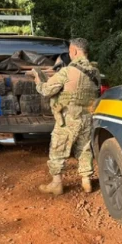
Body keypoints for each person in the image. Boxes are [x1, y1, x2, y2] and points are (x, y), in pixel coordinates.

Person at [27, 38, 100, 195]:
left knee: (57, 149)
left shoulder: (67, 71)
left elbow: (47, 91)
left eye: (69, 52)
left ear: (74, 51)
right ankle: (86, 181)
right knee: (85, 148)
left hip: (68, 118)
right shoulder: (95, 72)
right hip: (87, 117)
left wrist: (38, 80)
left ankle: (57, 184)